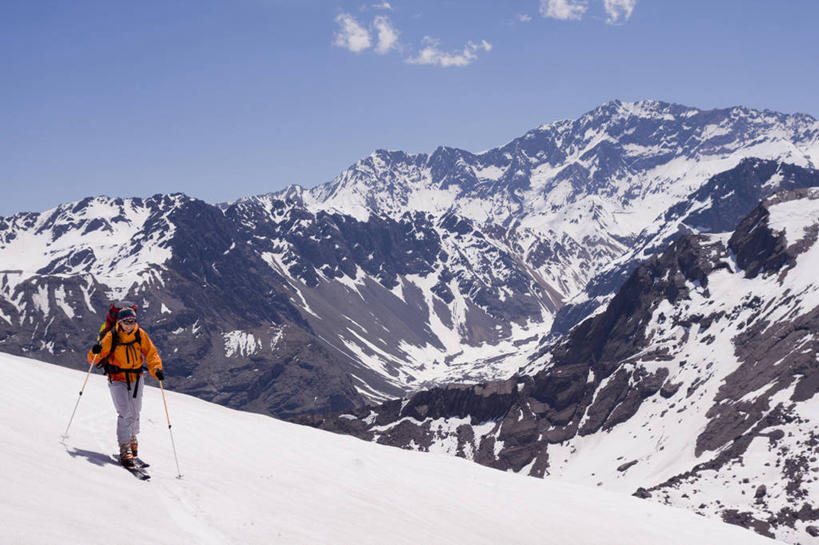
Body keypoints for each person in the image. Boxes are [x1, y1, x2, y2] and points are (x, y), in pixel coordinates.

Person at [87, 307, 164, 466]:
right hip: (116, 378)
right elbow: (95, 358)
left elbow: (151, 353)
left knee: (135, 411)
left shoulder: (140, 334)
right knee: (124, 412)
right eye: (126, 322)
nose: (129, 325)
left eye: (132, 321)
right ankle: (125, 447)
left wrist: (156, 369)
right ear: (120, 322)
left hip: (136, 378)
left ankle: (132, 437)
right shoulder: (111, 336)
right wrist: (94, 352)